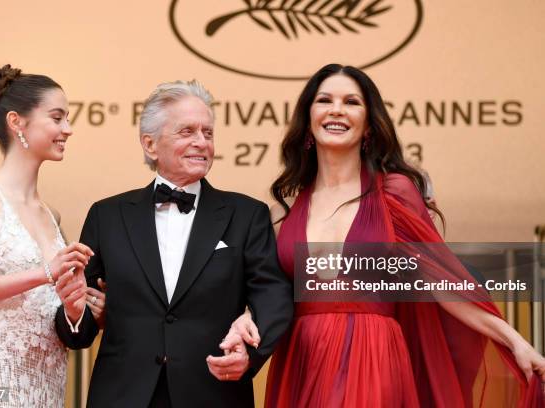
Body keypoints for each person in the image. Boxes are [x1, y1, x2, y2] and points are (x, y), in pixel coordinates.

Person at [228, 64, 545, 407]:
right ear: (308, 119)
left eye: (352, 102)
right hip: (302, 358)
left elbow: (442, 284)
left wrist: (516, 342)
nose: (337, 109)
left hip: (373, 355)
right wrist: (249, 315)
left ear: (368, 126)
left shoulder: (395, 192)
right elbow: (273, 291)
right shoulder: (285, 205)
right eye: (324, 100)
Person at [54, 80, 293, 407]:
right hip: (123, 395)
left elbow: (273, 293)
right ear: (150, 145)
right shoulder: (107, 215)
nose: (201, 142)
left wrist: (251, 352)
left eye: (208, 133)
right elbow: (78, 330)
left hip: (214, 392)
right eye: (187, 132)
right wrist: (73, 311)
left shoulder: (247, 214)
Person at [0, 64, 94, 407]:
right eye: (57, 118)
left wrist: (75, 304)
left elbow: (50, 304)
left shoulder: (50, 215)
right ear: (17, 122)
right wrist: (45, 273)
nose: (67, 129)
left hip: (46, 377)